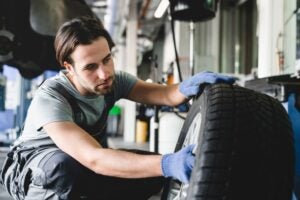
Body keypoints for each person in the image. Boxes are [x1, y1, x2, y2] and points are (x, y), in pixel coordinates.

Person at [0, 16, 235, 200]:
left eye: (107, 59)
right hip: (33, 173)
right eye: (90, 66)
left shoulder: (113, 81)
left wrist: (187, 86)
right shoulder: (51, 98)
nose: (104, 73)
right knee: (65, 168)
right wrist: (167, 164)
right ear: (68, 67)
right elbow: (93, 158)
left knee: (151, 173)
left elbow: (163, 94)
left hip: (83, 164)